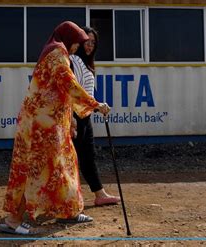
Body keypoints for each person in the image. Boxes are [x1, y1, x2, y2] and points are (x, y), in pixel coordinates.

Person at [1, 21, 111, 235]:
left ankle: (66, 211)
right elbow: (69, 86)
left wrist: (69, 121)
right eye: (76, 43)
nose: (77, 48)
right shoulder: (57, 55)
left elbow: (61, 93)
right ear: (68, 39)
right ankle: (14, 220)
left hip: (47, 125)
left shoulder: (55, 53)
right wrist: (95, 105)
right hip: (41, 127)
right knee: (35, 169)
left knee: (60, 165)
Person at [70, 27, 120, 206]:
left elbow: (86, 94)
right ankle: (69, 200)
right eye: (87, 41)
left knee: (88, 157)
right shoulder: (73, 61)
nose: (89, 45)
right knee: (71, 160)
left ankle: (100, 194)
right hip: (74, 117)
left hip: (85, 116)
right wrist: (72, 118)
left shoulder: (87, 64)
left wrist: (97, 106)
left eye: (93, 42)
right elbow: (72, 92)